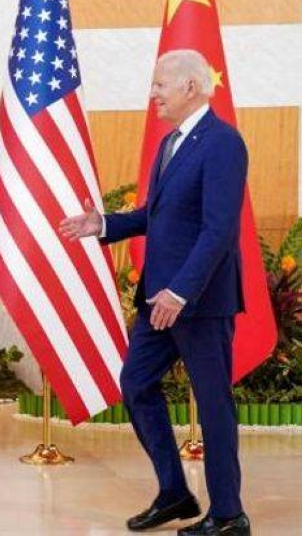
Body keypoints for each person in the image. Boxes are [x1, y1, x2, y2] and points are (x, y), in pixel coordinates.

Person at [60, 49, 250, 536]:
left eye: (160, 84)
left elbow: (218, 230)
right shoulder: (170, 143)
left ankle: (229, 515)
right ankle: (174, 493)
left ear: (190, 87)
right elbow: (156, 215)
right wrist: (103, 224)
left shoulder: (223, 143)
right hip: (158, 300)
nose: (153, 94)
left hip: (198, 302)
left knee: (213, 404)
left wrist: (180, 292)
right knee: (136, 384)